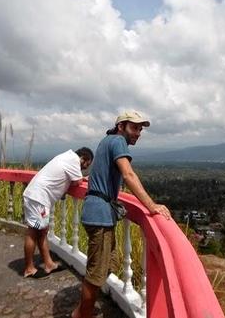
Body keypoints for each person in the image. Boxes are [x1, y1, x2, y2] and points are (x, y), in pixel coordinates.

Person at [72, 111, 171, 318]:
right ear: (121, 126)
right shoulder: (118, 141)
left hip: (100, 214)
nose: (138, 133)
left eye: (140, 129)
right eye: (134, 127)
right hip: (99, 216)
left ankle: (82, 310)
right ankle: (82, 315)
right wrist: (152, 205)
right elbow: (128, 174)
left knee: (113, 261)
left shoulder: (106, 141)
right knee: (96, 274)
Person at [23, 147, 94, 278]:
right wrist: (82, 178)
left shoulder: (66, 157)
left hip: (35, 195)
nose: (84, 168)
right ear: (83, 158)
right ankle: (29, 268)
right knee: (33, 232)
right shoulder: (73, 160)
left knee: (42, 231)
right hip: (39, 198)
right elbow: (77, 181)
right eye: (86, 165)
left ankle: (49, 263)